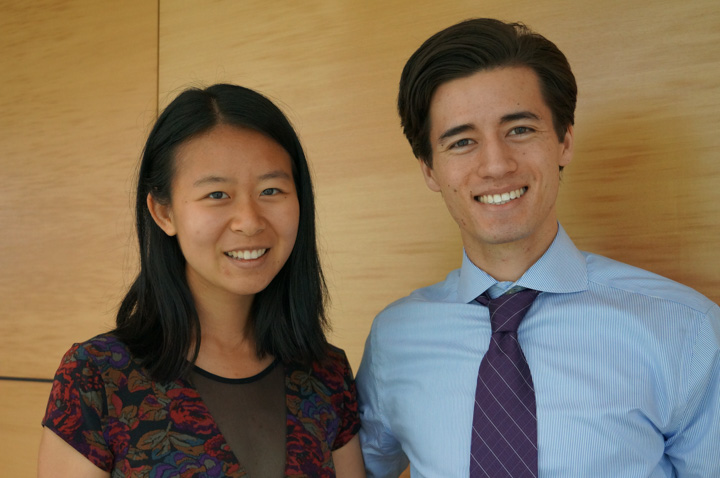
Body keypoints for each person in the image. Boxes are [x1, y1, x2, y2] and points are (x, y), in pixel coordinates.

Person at [356, 18, 720, 477]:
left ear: (564, 141)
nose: (496, 165)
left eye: (520, 130)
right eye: (462, 141)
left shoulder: (686, 330)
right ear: (429, 169)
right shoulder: (394, 339)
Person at [38, 84, 366, 477]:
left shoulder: (328, 374)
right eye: (217, 194)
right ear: (164, 213)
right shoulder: (96, 378)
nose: (249, 221)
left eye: (271, 190)